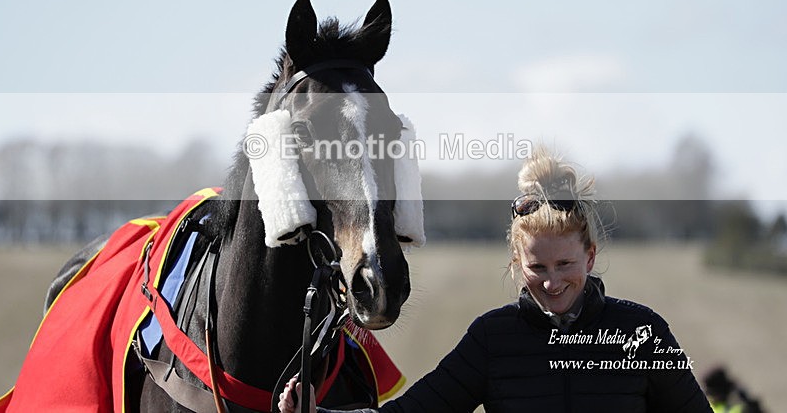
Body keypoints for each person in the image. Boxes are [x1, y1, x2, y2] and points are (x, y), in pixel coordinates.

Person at [279, 146, 712, 412]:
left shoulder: (642, 332)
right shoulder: (492, 338)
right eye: (538, 268)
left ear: (591, 257)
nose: (552, 282)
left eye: (565, 264)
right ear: (517, 264)